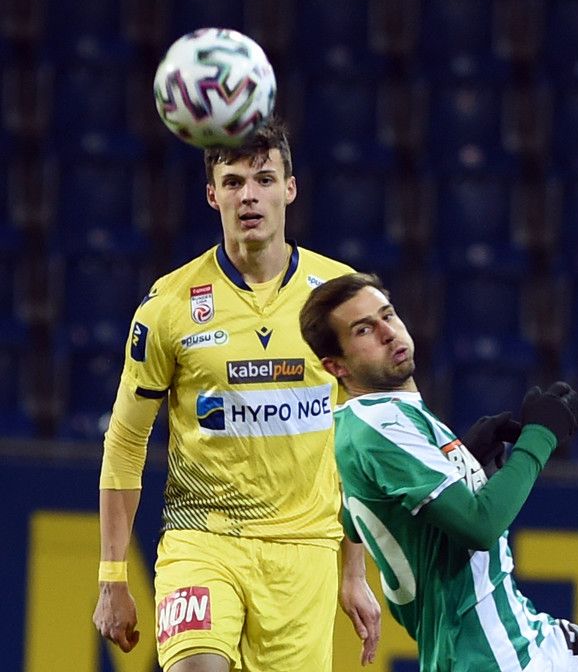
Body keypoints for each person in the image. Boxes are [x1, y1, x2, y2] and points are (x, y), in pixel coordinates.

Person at [92, 117, 381, 672]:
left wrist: (353, 571)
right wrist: (112, 577)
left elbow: (357, 448)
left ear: (290, 189)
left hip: (304, 552)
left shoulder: (340, 299)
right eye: (233, 182)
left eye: (264, 179)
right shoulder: (169, 306)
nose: (249, 195)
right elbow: (125, 441)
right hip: (202, 539)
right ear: (212, 195)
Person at [299, 271, 578, 672]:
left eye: (388, 315)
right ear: (335, 366)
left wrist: (463, 456)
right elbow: (479, 526)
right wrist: (540, 437)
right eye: (363, 330)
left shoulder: (365, 420)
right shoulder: (380, 425)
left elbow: (375, 515)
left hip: (523, 634)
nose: (387, 333)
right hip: (491, 656)